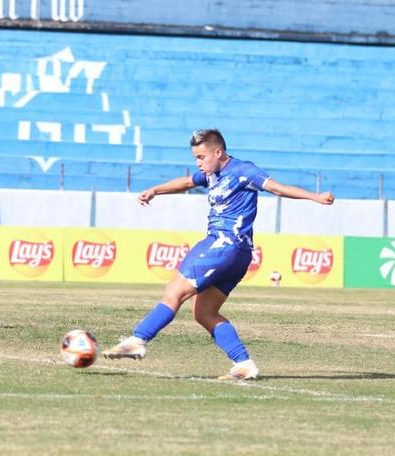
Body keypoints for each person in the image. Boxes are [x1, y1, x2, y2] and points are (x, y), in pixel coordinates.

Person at [101, 129, 334, 380]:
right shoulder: (212, 174)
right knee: (204, 312)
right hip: (240, 254)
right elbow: (188, 182)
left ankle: (138, 340)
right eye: (196, 158)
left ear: (218, 152)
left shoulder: (243, 171)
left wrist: (315, 197)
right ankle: (244, 364)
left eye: (201, 157)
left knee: (174, 292)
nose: (198, 163)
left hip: (224, 244)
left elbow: (276, 188)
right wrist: (156, 190)